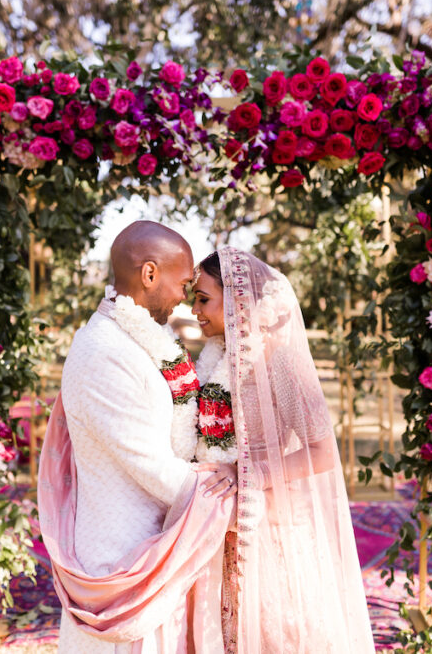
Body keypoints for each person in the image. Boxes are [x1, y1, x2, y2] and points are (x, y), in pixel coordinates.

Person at [38, 221, 237, 653]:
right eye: (183, 284)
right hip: (120, 561)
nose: (186, 297)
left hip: (157, 552)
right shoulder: (103, 351)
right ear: (149, 274)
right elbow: (150, 464)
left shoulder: (143, 342)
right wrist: (232, 496)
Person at [190, 247, 374, 653]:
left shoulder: (279, 362)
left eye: (203, 299)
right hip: (217, 521)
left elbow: (323, 451)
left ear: (237, 299)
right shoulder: (213, 357)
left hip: (271, 522)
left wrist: (245, 475)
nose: (195, 311)